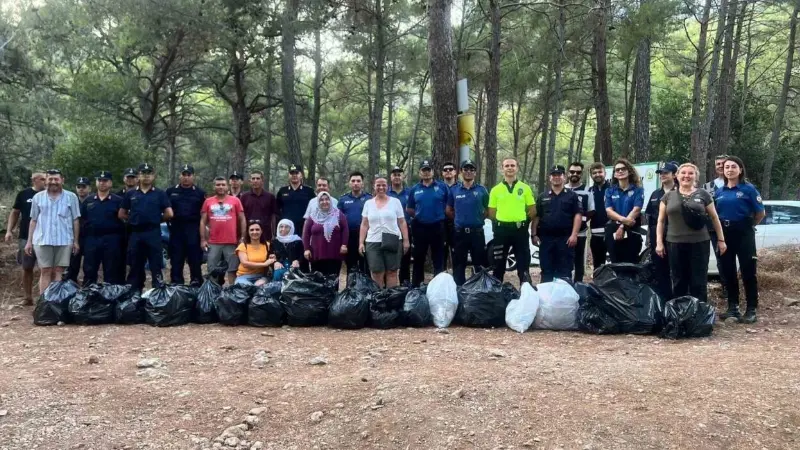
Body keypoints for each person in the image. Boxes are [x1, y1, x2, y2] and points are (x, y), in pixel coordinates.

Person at [656, 163, 726, 304]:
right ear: (677, 176)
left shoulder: (703, 194)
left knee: (698, 281)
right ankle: (679, 311)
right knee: (678, 280)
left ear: (696, 177)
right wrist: (659, 242)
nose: (686, 176)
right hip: (674, 243)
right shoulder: (668, 196)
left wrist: (721, 240)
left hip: (699, 243)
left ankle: (699, 312)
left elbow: (714, 218)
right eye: (683, 173)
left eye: (690, 173)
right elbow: (661, 221)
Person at [715, 156, 765, 323]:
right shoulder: (719, 192)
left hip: (744, 232)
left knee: (748, 271)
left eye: (733, 167)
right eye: (727, 167)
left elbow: (760, 213)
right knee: (727, 271)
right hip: (725, 234)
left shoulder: (748, 189)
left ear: (740, 169)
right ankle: (733, 308)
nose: (729, 170)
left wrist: (749, 225)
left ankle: (751, 309)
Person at [24, 169, 81, 295]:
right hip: (42, 239)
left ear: (62, 180)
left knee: (59, 271)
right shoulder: (38, 197)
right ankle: (44, 301)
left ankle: (56, 301)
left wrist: (76, 241)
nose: (53, 182)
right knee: (45, 271)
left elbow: (75, 220)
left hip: (64, 239)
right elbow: (33, 220)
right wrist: (29, 241)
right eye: (50, 179)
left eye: (56, 179)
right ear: (46, 181)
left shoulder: (71, 197)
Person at [119, 163, 173, 290]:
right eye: (143, 173)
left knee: (156, 265)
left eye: (149, 173)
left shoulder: (159, 193)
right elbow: (121, 213)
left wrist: (156, 220)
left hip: (153, 233)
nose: (146, 176)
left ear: (153, 176)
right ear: (138, 176)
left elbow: (169, 213)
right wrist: (134, 220)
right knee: (135, 266)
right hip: (136, 234)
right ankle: (134, 294)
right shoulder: (131, 194)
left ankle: (157, 294)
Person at [488, 158, 535, 283]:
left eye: (512, 165)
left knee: (523, 264)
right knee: (498, 264)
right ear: (502, 169)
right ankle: (497, 290)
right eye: (507, 165)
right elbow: (491, 212)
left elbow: (532, 209)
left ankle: (526, 290)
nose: (510, 168)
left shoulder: (525, 188)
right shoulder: (495, 190)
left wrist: (524, 222)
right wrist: (499, 223)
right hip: (501, 231)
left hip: (520, 230)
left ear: (517, 168)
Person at [531, 165, 582, 283]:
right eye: (554, 175)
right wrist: (534, 234)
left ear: (564, 177)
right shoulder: (542, 196)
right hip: (546, 239)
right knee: (546, 270)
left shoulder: (572, 196)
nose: (556, 177)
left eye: (559, 175)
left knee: (565, 271)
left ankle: (564, 294)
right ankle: (546, 294)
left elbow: (578, 215)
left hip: (565, 239)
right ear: (549, 178)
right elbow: (537, 216)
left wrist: (574, 235)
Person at [359, 175, 410, 288]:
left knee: (392, 272)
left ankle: (390, 296)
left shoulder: (395, 202)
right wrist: (361, 242)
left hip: (393, 239)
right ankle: (379, 296)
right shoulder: (368, 203)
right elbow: (364, 224)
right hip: (373, 241)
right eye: (378, 185)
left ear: (387, 187)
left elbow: (402, 222)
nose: (381, 187)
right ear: (374, 186)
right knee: (376, 272)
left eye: (384, 185)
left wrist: (406, 240)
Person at [4, 172, 46, 304]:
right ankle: (27, 297)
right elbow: (15, 212)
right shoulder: (23, 194)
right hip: (25, 236)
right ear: (34, 180)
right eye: (42, 179)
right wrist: (9, 230)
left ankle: (45, 299)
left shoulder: (49, 195)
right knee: (27, 267)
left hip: (46, 237)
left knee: (46, 268)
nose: (46, 181)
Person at [446, 159, 489, 285]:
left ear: (475, 172)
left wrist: (478, 219)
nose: (468, 172)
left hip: (477, 233)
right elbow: (448, 210)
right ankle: (459, 289)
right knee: (459, 264)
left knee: (479, 264)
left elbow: (488, 209)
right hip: (459, 233)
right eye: (466, 169)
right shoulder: (454, 190)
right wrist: (459, 219)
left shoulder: (482, 190)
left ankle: (478, 289)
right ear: (461, 172)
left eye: (471, 169)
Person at [406, 159, 449, 286]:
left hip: (438, 227)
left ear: (433, 172)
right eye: (423, 170)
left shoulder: (442, 187)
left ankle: (438, 287)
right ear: (420, 172)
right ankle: (416, 287)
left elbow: (449, 205)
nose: (426, 173)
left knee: (438, 259)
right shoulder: (415, 189)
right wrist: (420, 215)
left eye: (428, 170)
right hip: (420, 227)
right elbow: (410, 208)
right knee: (418, 258)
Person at [80, 171, 125, 286]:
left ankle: (110, 295)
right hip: (92, 239)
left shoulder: (118, 200)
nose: (102, 183)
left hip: (112, 239)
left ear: (110, 183)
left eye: (105, 180)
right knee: (89, 270)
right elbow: (82, 220)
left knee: (112, 271)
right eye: (99, 180)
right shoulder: (88, 200)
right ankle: (88, 294)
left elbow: (124, 220)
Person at [201, 177, 246, 285]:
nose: (220, 187)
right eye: (218, 185)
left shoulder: (235, 200)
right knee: (212, 270)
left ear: (227, 186)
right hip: (213, 242)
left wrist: (243, 237)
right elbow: (203, 222)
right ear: (214, 187)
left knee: (232, 270)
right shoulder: (208, 201)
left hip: (232, 242)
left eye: (223, 184)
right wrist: (203, 240)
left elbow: (242, 219)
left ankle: (233, 292)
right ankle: (213, 292)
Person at [166, 164, 206, 285]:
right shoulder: (170, 191)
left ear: (193, 176)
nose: (186, 177)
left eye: (189, 175)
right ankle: (177, 286)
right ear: (180, 176)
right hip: (176, 229)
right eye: (184, 174)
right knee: (176, 260)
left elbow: (204, 215)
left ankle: (196, 284)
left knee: (195, 260)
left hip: (193, 230)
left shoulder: (200, 193)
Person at [645, 162, 678, 300]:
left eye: (666, 173)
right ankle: (664, 299)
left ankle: (678, 298)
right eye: (661, 173)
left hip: (676, 233)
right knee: (659, 267)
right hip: (657, 236)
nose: (662, 175)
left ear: (674, 175)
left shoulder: (680, 191)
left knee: (677, 268)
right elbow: (649, 216)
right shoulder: (655, 193)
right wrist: (649, 238)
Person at [605, 158, 645, 264]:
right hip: (613, 230)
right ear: (614, 174)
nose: (620, 171)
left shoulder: (638, 190)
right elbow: (609, 211)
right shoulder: (609, 191)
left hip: (632, 230)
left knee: (631, 263)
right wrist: (623, 220)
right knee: (615, 263)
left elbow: (636, 210)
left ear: (629, 171)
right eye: (617, 170)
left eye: (623, 169)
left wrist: (622, 226)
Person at [303, 192, 349, 278]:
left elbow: (345, 229)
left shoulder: (338, 214)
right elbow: (306, 234)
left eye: (327, 199)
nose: (324, 202)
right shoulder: (313, 216)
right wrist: (306, 249)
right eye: (321, 200)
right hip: (317, 254)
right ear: (318, 202)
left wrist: (344, 244)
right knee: (317, 280)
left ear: (330, 201)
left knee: (333, 279)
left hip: (334, 253)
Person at [703, 154, 730, 300]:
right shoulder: (707, 187)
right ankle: (726, 288)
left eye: (723, 164)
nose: (720, 166)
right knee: (721, 259)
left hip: (733, 227)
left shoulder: (736, 183)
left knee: (734, 258)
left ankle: (736, 288)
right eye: (718, 164)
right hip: (714, 229)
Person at [338, 172, 372, 274]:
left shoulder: (369, 198)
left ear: (362, 183)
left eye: (358, 181)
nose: (355, 183)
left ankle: (366, 284)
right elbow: (338, 219)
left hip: (366, 236)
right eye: (353, 181)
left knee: (365, 265)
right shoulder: (343, 199)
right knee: (350, 266)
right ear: (349, 183)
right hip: (349, 236)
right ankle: (350, 284)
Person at [565, 162, 591, 282]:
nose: (575, 174)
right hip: (563, 233)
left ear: (581, 174)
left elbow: (591, 211)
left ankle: (578, 286)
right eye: (572, 172)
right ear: (568, 173)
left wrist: (580, 221)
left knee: (579, 261)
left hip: (580, 233)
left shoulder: (587, 190)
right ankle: (565, 286)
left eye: (578, 172)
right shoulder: (562, 188)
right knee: (564, 261)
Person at [276, 164, 316, 239]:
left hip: (303, 228)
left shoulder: (309, 191)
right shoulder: (282, 191)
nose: (294, 175)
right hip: (286, 228)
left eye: (297, 173)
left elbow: (314, 210)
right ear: (289, 175)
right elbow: (277, 210)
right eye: (292, 173)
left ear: (301, 175)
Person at [388, 165, 413, 284]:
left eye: (399, 175)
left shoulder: (410, 192)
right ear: (390, 177)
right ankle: (387, 287)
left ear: (403, 177)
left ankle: (405, 285)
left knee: (405, 260)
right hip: (389, 230)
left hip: (407, 229)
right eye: (394, 175)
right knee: (389, 260)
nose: (397, 177)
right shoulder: (386, 192)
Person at [66, 177, 91, 283]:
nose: (81, 189)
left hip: (90, 236)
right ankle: (71, 284)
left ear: (89, 188)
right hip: (74, 236)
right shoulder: (71, 200)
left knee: (89, 264)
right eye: (79, 187)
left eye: (84, 187)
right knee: (73, 263)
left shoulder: (94, 200)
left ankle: (88, 286)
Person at [234, 221, 275, 285]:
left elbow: (271, 259)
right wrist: (264, 264)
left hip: (261, 276)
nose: (254, 232)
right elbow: (245, 264)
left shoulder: (267, 245)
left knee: (258, 286)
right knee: (247, 287)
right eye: (251, 230)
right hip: (243, 276)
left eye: (257, 229)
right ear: (248, 232)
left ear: (261, 231)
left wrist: (273, 258)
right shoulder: (243, 246)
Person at [241, 170, 277, 240]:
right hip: (249, 234)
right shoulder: (244, 197)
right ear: (250, 181)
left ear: (262, 181)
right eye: (253, 178)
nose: (255, 181)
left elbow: (273, 216)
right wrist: (243, 234)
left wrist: (274, 233)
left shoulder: (270, 197)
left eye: (258, 178)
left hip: (266, 234)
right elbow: (241, 217)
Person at [587, 163, 609, 268]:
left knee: (616, 263)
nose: (597, 175)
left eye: (600, 172)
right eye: (594, 173)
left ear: (605, 173)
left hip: (613, 233)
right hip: (596, 235)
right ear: (591, 175)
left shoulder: (613, 189)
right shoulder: (589, 191)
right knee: (598, 266)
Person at [441, 162, 458, 269]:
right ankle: (440, 276)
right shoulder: (438, 187)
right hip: (441, 224)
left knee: (457, 253)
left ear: (455, 172)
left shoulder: (460, 187)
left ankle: (457, 277)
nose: (448, 171)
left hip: (456, 224)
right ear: (442, 173)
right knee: (441, 254)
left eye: (450, 169)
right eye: (445, 169)